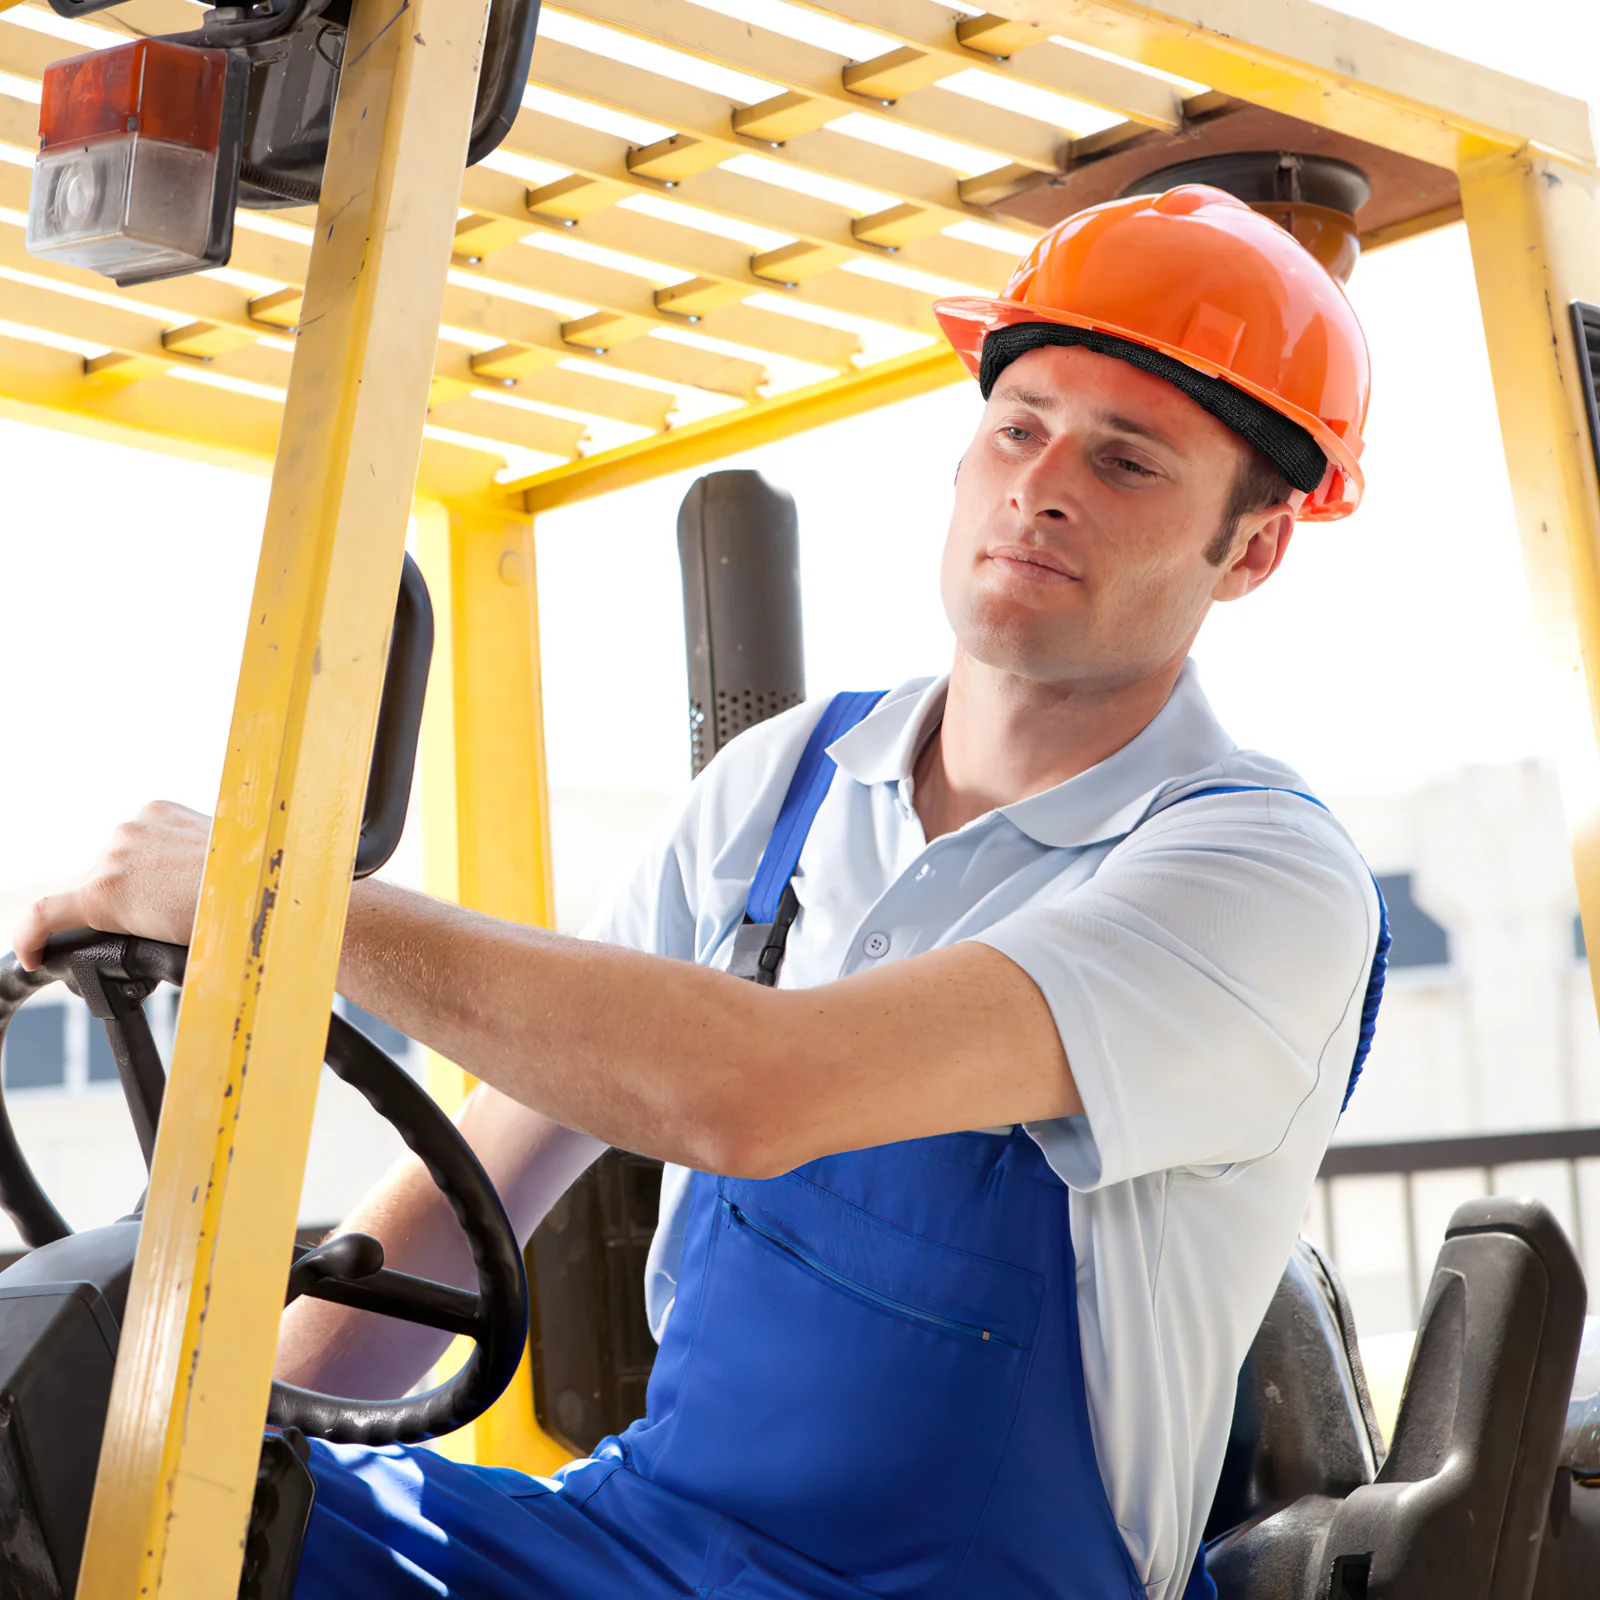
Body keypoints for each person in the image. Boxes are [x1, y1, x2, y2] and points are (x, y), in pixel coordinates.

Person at [13, 185, 1382, 1600]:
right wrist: (200, 1466)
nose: (1042, 485)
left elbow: (750, 1092)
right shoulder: (782, 784)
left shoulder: (1253, 874)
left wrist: (275, 904)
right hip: (641, 1542)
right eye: (1018, 428)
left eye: (1128, 463)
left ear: (1254, 547)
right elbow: (488, 1163)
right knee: (79, 1475)